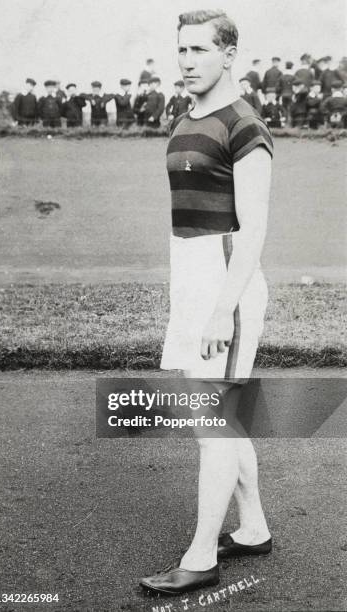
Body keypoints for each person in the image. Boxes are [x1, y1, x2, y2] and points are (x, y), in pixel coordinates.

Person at [139, 8, 273, 596]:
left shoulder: (245, 126)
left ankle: (200, 556)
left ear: (228, 54)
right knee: (216, 420)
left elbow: (253, 228)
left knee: (213, 425)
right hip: (191, 276)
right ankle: (253, 528)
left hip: (228, 284)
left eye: (198, 50)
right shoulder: (186, 116)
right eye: (181, 51)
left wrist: (223, 307)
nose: (186, 61)